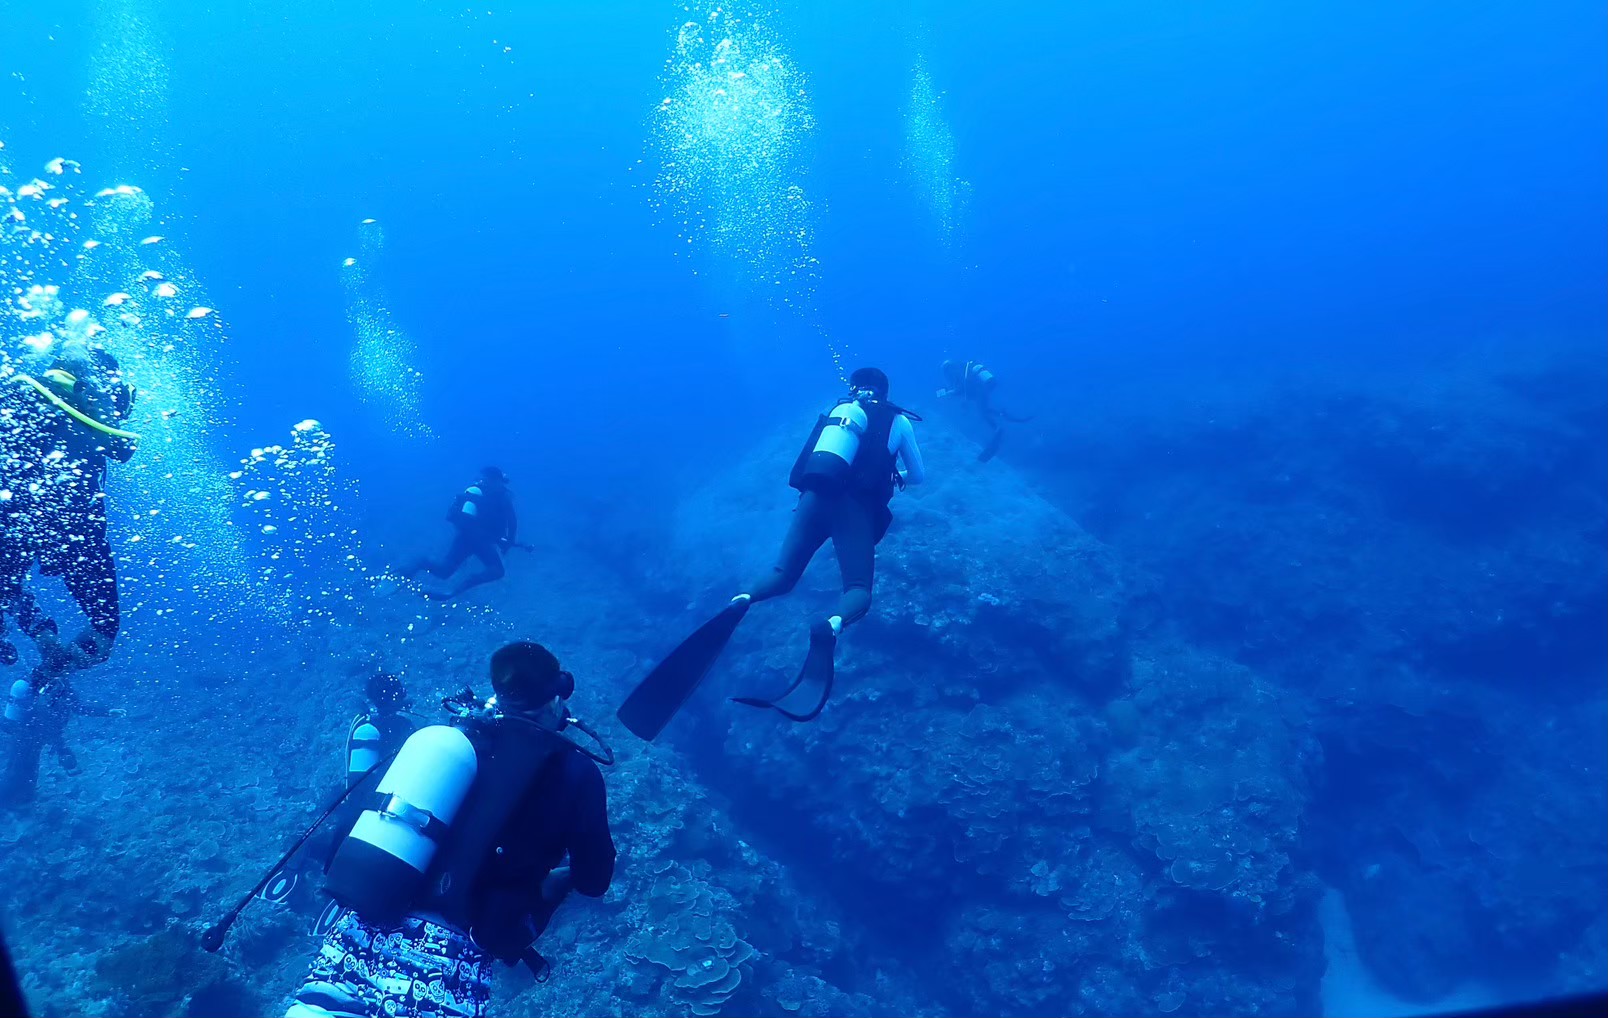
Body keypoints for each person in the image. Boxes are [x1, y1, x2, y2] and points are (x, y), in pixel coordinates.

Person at [285, 641, 616, 1018]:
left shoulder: (448, 741)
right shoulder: (576, 773)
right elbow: (595, 879)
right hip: (445, 977)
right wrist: (555, 881)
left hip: (349, 948)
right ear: (556, 700)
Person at [617, 367, 925, 740]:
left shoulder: (838, 412)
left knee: (782, 574)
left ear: (855, 387)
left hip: (812, 500)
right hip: (854, 509)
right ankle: (831, 625)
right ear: (886, 390)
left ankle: (744, 599)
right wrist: (894, 479)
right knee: (858, 589)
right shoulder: (898, 420)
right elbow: (918, 475)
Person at [1, 344, 139, 803]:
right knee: (99, 633)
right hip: (52, 537)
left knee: (100, 635)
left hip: (56, 538)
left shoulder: (63, 427)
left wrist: (42, 636)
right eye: (112, 396)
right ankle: (34, 691)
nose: (120, 408)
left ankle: (38, 686)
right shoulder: (46, 422)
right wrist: (40, 630)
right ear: (83, 389)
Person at [257, 671, 420, 926]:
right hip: (381, 803)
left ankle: (301, 857)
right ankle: (341, 893)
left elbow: (355, 776)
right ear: (398, 695)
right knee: (367, 849)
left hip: (354, 801)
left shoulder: (364, 724)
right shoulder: (404, 727)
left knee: (344, 838)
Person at [402, 467, 519, 599]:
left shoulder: (475, 492)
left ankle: (416, 565)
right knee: (497, 570)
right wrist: (509, 541)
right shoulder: (503, 496)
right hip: (480, 540)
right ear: (498, 480)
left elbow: (461, 520)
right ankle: (452, 592)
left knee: (444, 571)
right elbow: (512, 522)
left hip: (464, 536)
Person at [936, 358, 1031, 462]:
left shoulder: (959, 372)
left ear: (949, 368)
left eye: (946, 371)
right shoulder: (962, 370)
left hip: (981, 390)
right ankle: (1002, 415)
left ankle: (998, 429)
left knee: (983, 412)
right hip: (982, 389)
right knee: (984, 411)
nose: (947, 374)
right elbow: (964, 390)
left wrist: (951, 393)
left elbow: (963, 388)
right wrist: (953, 392)